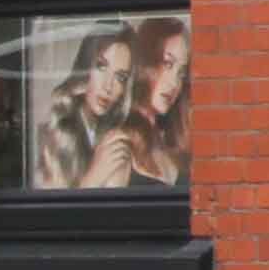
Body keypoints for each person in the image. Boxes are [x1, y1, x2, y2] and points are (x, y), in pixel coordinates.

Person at [35, 26, 144, 189]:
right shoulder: (51, 134)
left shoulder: (115, 140)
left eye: (120, 77)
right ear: (85, 67)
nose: (108, 86)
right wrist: (94, 177)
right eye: (101, 66)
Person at [126, 16, 193, 191]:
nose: (174, 83)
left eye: (181, 73)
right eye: (167, 64)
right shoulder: (120, 141)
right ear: (145, 62)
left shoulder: (171, 139)